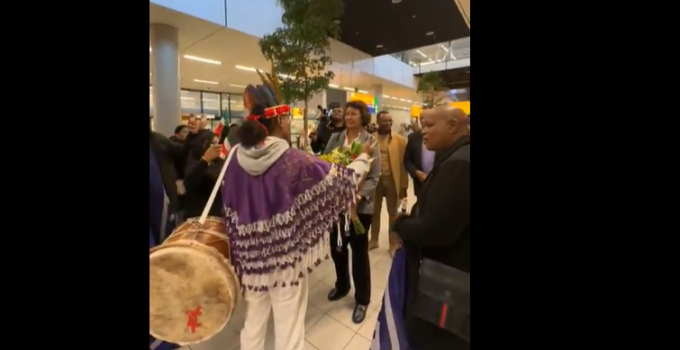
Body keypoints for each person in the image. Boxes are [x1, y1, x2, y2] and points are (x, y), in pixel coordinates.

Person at [220, 78, 374, 350]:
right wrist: (362, 157)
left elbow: (230, 202)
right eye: (288, 118)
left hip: (251, 261)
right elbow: (342, 181)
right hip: (284, 261)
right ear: (279, 121)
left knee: (253, 324)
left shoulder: (233, 158)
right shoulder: (292, 160)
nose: (290, 122)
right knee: (288, 329)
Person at [373, 107, 470, 350]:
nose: (422, 132)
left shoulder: (459, 164)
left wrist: (401, 224)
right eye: (421, 125)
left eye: (429, 126)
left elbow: (437, 230)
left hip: (447, 282)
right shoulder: (455, 156)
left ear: (453, 126)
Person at [323, 100, 380, 324]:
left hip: (359, 209)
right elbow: (326, 165)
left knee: (359, 252)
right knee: (337, 248)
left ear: (362, 117)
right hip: (336, 205)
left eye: (354, 114)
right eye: (347, 114)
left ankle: (362, 299)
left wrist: (357, 196)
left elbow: (374, 176)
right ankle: (342, 285)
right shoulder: (336, 138)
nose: (349, 117)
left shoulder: (370, 141)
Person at [370, 111, 408, 255]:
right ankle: (374, 240)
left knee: (393, 213)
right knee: (374, 212)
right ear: (378, 122)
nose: (388, 123)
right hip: (375, 181)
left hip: (392, 180)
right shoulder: (370, 139)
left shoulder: (399, 140)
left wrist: (404, 186)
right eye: (385, 121)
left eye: (390, 121)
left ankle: (392, 242)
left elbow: (403, 165)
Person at [183, 132, 225, 218]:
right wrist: (205, 160)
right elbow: (190, 182)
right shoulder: (193, 161)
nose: (216, 146)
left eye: (218, 143)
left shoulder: (220, 163)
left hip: (216, 217)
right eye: (213, 143)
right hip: (196, 217)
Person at [404, 116, 436, 199]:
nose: (424, 121)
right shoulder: (413, 137)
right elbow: (407, 160)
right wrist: (415, 172)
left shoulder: (442, 136)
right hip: (420, 182)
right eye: (422, 118)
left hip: (438, 181)